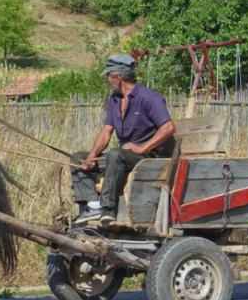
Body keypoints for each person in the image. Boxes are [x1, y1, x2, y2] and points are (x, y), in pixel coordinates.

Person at [72, 54, 176, 226]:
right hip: (122, 158)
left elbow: (168, 128)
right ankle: (90, 206)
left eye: (108, 76)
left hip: (146, 159)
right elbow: (106, 132)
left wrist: (142, 148)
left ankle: (108, 208)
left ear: (118, 77)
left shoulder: (149, 98)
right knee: (78, 157)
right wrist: (91, 157)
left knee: (116, 154)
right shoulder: (115, 100)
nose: (106, 79)